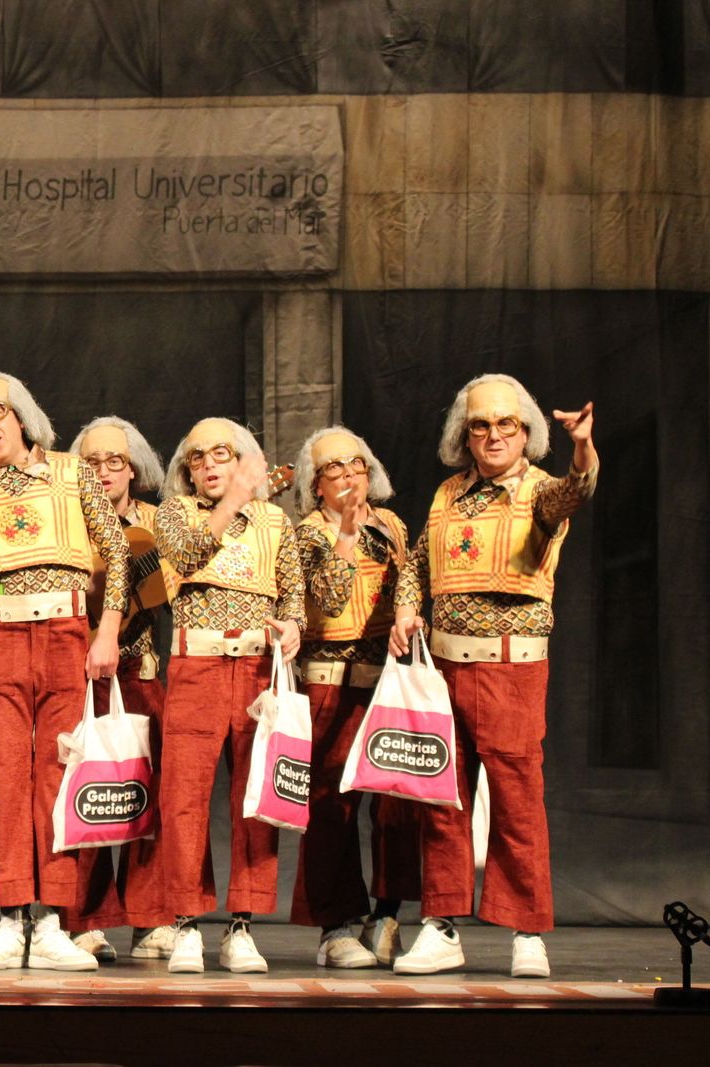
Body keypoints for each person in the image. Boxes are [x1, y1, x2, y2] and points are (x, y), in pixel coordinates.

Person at [0, 373, 130, 972]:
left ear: (23, 417)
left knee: (58, 775)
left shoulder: (72, 473)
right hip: (1, 636)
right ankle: (12, 919)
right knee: (9, 778)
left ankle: (56, 920)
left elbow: (115, 553)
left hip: (65, 634)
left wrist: (107, 630)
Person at [389, 375, 597, 979]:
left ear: (527, 433)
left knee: (517, 803)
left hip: (513, 669)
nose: (493, 434)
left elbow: (575, 491)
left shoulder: (539, 490)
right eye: (480, 425)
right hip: (445, 670)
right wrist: (407, 608)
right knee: (441, 799)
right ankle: (441, 925)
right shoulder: (447, 494)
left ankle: (527, 930)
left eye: (506, 424)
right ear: (465, 435)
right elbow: (419, 564)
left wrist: (582, 447)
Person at [153, 417, 304, 974]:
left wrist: (293, 628)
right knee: (184, 797)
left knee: (256, 798)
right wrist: (232, 500)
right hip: (198, 665)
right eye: (199, 457)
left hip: (258, 669)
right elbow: (189, 556)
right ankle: (186, 923)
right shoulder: (175, 513)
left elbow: (293, 595)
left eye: (223, 454)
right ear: (188, 470)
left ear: (244, 460)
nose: (210, 464)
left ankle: (242, 925)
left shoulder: (274, 520)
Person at [288, 425, 420, 967]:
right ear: (315, 485)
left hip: (386, 678)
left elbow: (411, 578)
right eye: (333, 469)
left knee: (397, 801)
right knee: (330, 804)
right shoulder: (307, 534)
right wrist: (344, 533)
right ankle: (335, 926)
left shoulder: (391, 526)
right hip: (327, 682)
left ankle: (387, 915)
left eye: (356, 466)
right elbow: (326, 595)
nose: (347, 476)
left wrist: (411, 611)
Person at [56, 416, 179, 963]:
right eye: (92, 462)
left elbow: (164, 610)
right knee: (83, 790)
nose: (104, 471)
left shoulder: (154, 524)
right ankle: (83, 918)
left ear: (134, 468)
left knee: (143, 793)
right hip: (79, 675)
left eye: (115, 461)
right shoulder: (63, 522)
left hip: (142, 672)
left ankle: (151, 918)